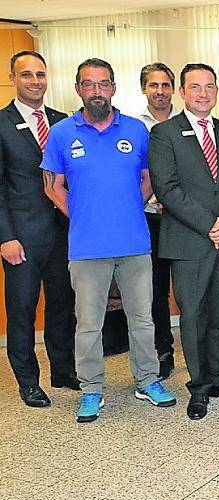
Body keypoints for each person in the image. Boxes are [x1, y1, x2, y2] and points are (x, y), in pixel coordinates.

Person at [41, 58, 176, 422]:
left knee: (142, 319)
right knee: (88, 323)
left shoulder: (135, 130)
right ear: (78, 89)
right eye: (89, 84)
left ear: (114, 88)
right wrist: (83, 213)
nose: (97, 91)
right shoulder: (62, 133)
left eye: (103, 84)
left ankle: (147, 380)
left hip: (134, 242)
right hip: (87, 246)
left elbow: (148, 177)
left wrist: (131, 205)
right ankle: (91, 389)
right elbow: (52, 187)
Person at [149, 63, 219, 420]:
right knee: (193, 315)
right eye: (195, 86)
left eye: (209, 86)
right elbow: (167, 189)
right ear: (182, 92)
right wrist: (211, 225)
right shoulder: (164, 133)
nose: (203, 93)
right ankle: (199, 386)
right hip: (189, 242)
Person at [0, 50, 76, 408]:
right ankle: (28, 382)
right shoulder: (1, 123)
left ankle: (63, 370)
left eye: (40, 74)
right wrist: (5, 237)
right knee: (22, 312)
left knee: (63, 305)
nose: (35, 81)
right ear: (13, 78)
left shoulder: (65, 122)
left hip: (64, 234)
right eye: (27, 75)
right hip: (22, 236)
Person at [138, 62, 179, 380]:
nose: (160, 91)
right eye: (154, 85)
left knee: (188, 289)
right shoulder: (134, 127)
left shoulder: (186, 123)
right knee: (154, 291)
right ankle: (163, 351)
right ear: (144, 89)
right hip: (150, 219)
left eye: (166, 85)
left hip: (184, 220)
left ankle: (197, 348)